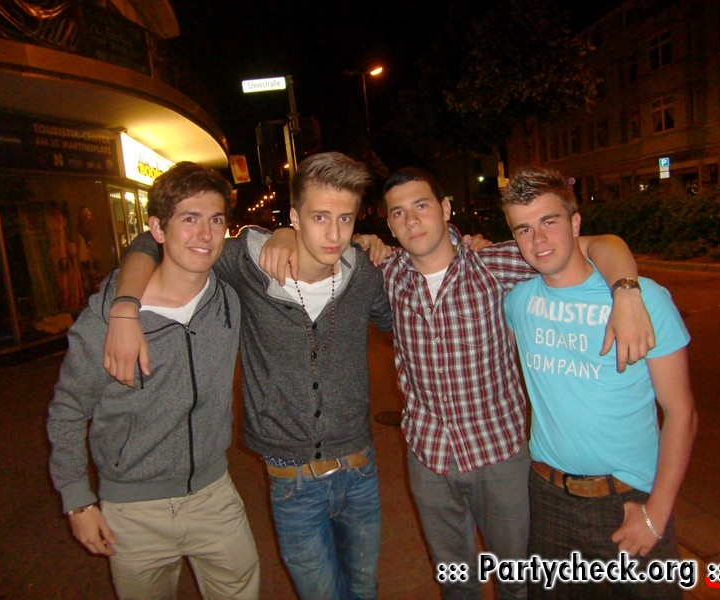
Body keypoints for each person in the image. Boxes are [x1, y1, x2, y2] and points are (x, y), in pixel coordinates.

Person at [259, 166, 654, 600]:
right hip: (429, 459)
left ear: (446, 209)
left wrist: (627, 290)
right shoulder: (386, 273)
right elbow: (324, 244)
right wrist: (284, 233)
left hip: (498, 457)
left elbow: (597, 244)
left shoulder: (494, 263)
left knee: (516, 581)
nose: (412, 220)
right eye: (398, 213)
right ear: (389, 224)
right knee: (456, 583)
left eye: (422, 206)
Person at [102, 152, 393, 600]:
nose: (334, 234)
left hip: (360, 470)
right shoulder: (247, 264)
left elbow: (403, 315)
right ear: (294, 216)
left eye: (345, 219)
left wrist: (402, 247)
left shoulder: (364, 274)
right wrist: (125, 307)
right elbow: (151, 240)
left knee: (365, 588)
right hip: (291, 480)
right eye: (319, 217)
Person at [47, 162, 260, 599]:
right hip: (132, 510)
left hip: (214, 497)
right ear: (158, 229)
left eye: (216, 220)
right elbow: (68, 409)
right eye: (189, 218)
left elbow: (278, 246)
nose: (205, 234)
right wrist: (77, 499)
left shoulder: (229, 301)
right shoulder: (106, 318)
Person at [501, 166, 697, 598]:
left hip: (628, 501)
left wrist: (656, 513)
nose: (538, 240)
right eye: (524, 229)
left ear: (575, 224)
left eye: (549, 222)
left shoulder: (644, 300)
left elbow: (681, 413)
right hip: (549, 500)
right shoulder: (518, 303)